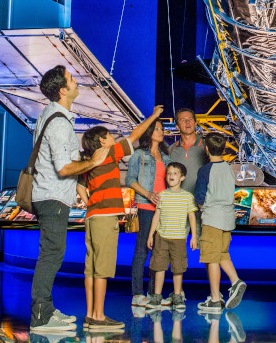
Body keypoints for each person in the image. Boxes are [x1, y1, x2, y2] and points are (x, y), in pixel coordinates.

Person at [29, 65, 114, 334]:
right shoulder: (58, 122)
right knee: (51, 255)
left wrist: (78, 184)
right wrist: (93, 162)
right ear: (63, 90)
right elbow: (63, 167)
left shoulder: (50, 116)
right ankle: (40, 317)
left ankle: (46, 309)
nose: (77, 81)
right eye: (72, 79)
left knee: (52, 253)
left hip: (52, 195)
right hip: (52, 198)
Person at [78, 105, 163, 331]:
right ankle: (98, 317)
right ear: (102, 141)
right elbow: (134, 135)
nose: (112, 137)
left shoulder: (88, 159)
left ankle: (89, 315)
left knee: (91, 267)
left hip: (92, 216)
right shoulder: (107, 153)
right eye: (108, 135)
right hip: (105, 217)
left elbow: (80, 187)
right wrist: (153, 116)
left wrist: (91, 204)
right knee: (103, 268)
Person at [194, 131, 246, 312]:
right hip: (227, 219)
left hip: (212, 219)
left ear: (205, 148)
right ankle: (236, 282)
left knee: (212, 258)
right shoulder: (229, 169)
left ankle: (215, 299)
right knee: (222, 254)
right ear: (223, 149)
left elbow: (199, 197)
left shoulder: (205, 170)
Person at [126, 118, 167, 305]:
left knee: (159, 252)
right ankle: (137, 293)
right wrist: (148, 194)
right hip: (145, 206)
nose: (161, 132)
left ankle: (153, 293)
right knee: (142, 250)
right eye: (157, 129)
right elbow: (130, 180)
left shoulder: (166, 158)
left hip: (164, 209)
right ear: (149, 132)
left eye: (162, 129)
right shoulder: (139, 155)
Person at [148, 162, 198, 311]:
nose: (171, 176)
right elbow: (156, 216)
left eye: (175, 174)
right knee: (159, 267)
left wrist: (193, 236)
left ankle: (177, 296)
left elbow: (192, 217)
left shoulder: (188, 196)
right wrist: (151, 235)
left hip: (179, 239)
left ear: (182, 177)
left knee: (178, 268)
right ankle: (157, 297)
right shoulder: (161, 195)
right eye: (169, 173)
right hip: (161, 237)